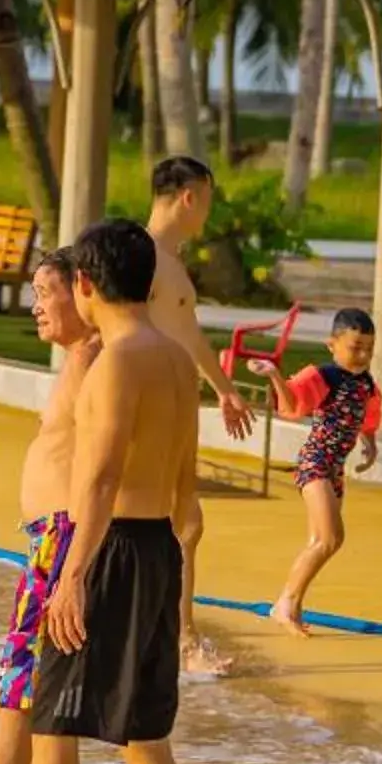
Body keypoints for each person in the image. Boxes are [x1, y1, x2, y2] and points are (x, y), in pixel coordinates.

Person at [23, 217, 206, 764]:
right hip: (158, 542)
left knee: (52, 717)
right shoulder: (177, 360)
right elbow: (187, 472)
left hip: (109, 547)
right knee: (143, 722)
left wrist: (72, 576)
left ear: (85, 283)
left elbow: (96, 480)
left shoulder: (116, 362)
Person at [0, 253, 99, 764]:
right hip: (52, 539)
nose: (37, 304)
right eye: (34, 291)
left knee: (22, 688)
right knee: (24, 688)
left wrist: (74, 565)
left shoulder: (97, 359)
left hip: (64, 541)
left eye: (47, 291)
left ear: (84, 290)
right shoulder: (81, 359)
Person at [140, 157, 254, 675]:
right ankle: (181, 641)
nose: (208, 211)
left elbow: (187, 332)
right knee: (178, 523)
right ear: (189, 196)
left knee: (183, 522)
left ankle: (176, 637)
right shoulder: (143, 259)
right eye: (207, 199)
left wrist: (225, 390)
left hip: (177, 407)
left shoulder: (171, 260)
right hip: (152, 408)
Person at [255, 308, 382, 637]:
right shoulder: (324, 377)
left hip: (334, 469)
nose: (364, 355)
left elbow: (366, 419)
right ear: (333, 344)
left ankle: (293, 606)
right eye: (356, 347)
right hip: (315, 463)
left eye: (369, 348)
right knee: (330, 539)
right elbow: (292, 405)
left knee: (318, 540)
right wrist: (273, 375)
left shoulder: (367, 385)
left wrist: (369, 445)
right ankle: (284, 603)